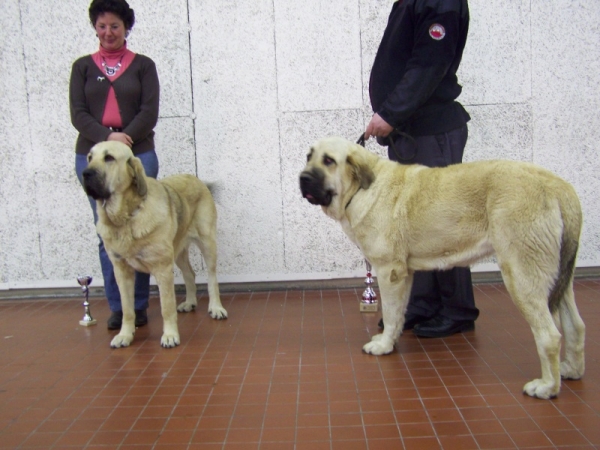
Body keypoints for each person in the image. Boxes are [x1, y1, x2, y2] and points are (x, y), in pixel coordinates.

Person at [364, 0, 479, 338]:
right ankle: (423, 303)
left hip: (432, 130)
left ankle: (457, 309)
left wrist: (390, 112)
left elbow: (429, 64)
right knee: (416, 224)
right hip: (413, 132)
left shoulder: (441, 3)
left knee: (444, 223)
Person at [70, 0, 160, 330]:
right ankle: (118, 308)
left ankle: (138, 305)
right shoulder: (82, 67)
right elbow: (78, 114)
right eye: (102, 25)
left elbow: (149, 111)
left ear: (126, 28)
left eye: (115, 26)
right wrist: (108, 140)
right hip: (91, 154)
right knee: (106, 231)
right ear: (95, 26)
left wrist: (125, 139)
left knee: (140, 230)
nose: (108, 32)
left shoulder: (143, 66)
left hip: (139, 154)